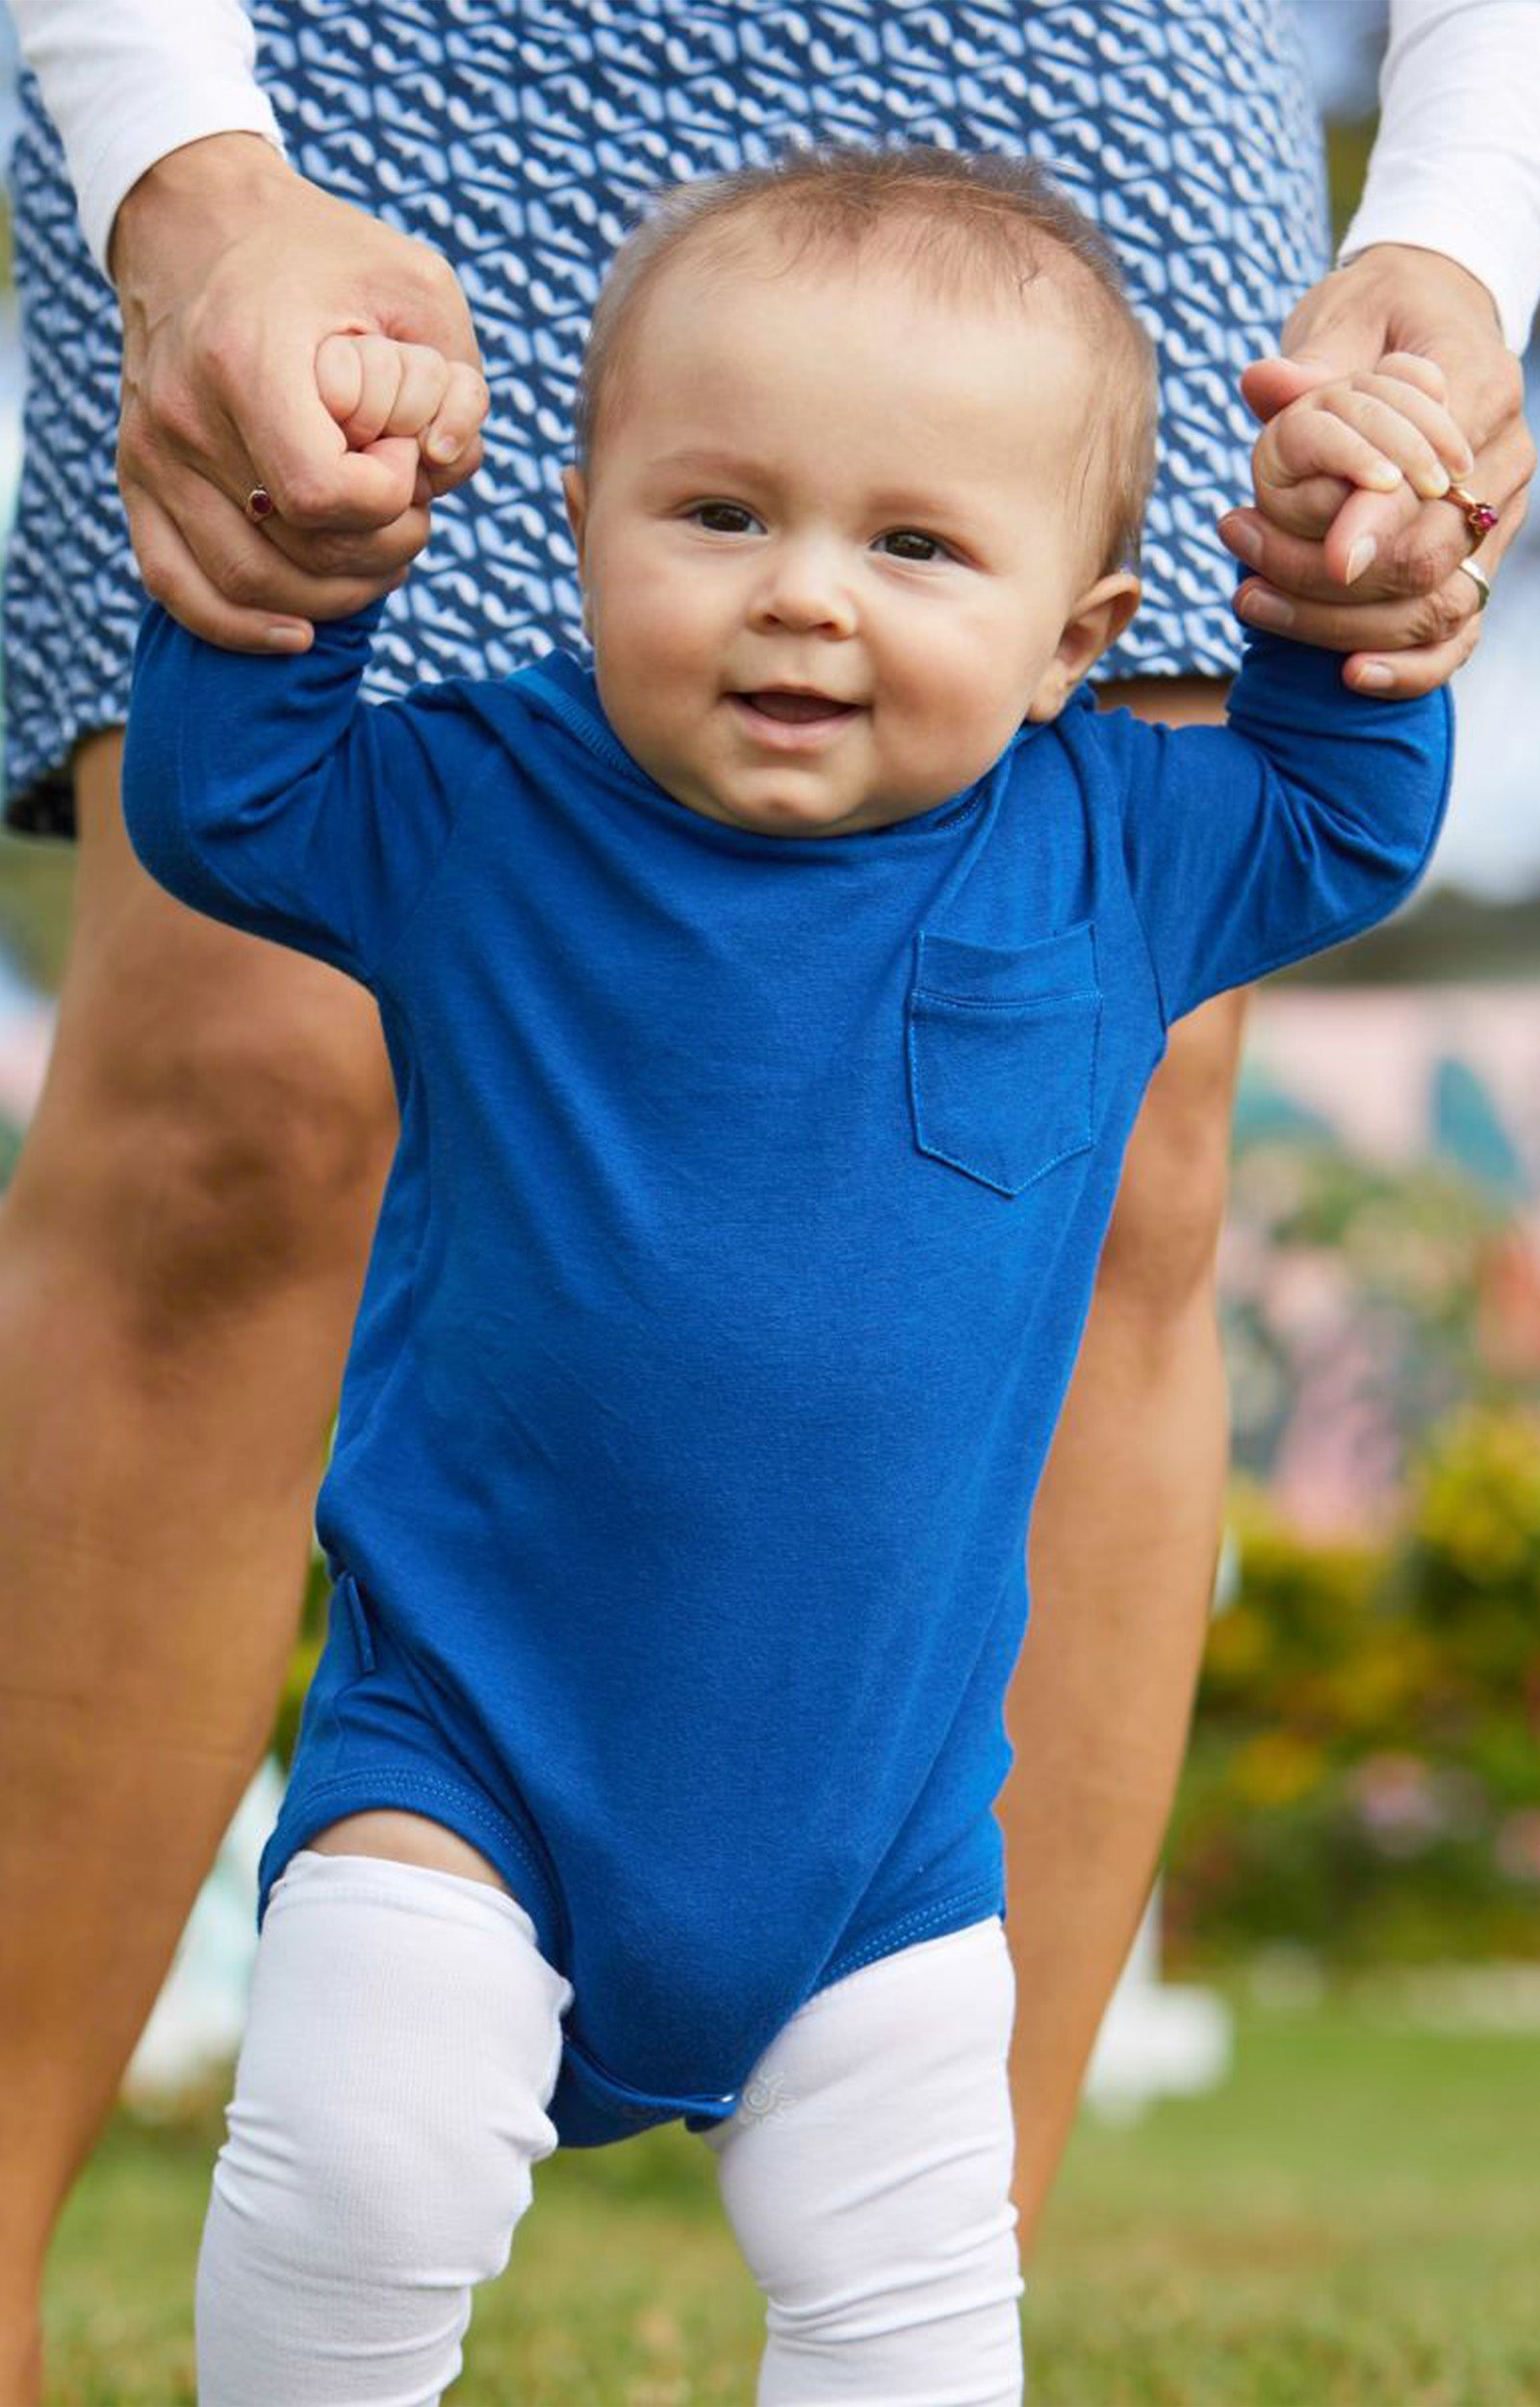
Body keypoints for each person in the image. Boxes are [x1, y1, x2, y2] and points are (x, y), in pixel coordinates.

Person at [0, 6, 1535, 2397]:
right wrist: (300, 578)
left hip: (895, 1842)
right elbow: (232, 817)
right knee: (364, 2180)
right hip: (460, 1771)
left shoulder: (1114, 847)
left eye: (913, 545)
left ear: (1076, 621)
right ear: (575, 517)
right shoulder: (478, 805)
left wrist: (1350, 591)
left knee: (904, 2311)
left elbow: (1340, 812)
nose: (803, 593)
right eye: (715, 518)